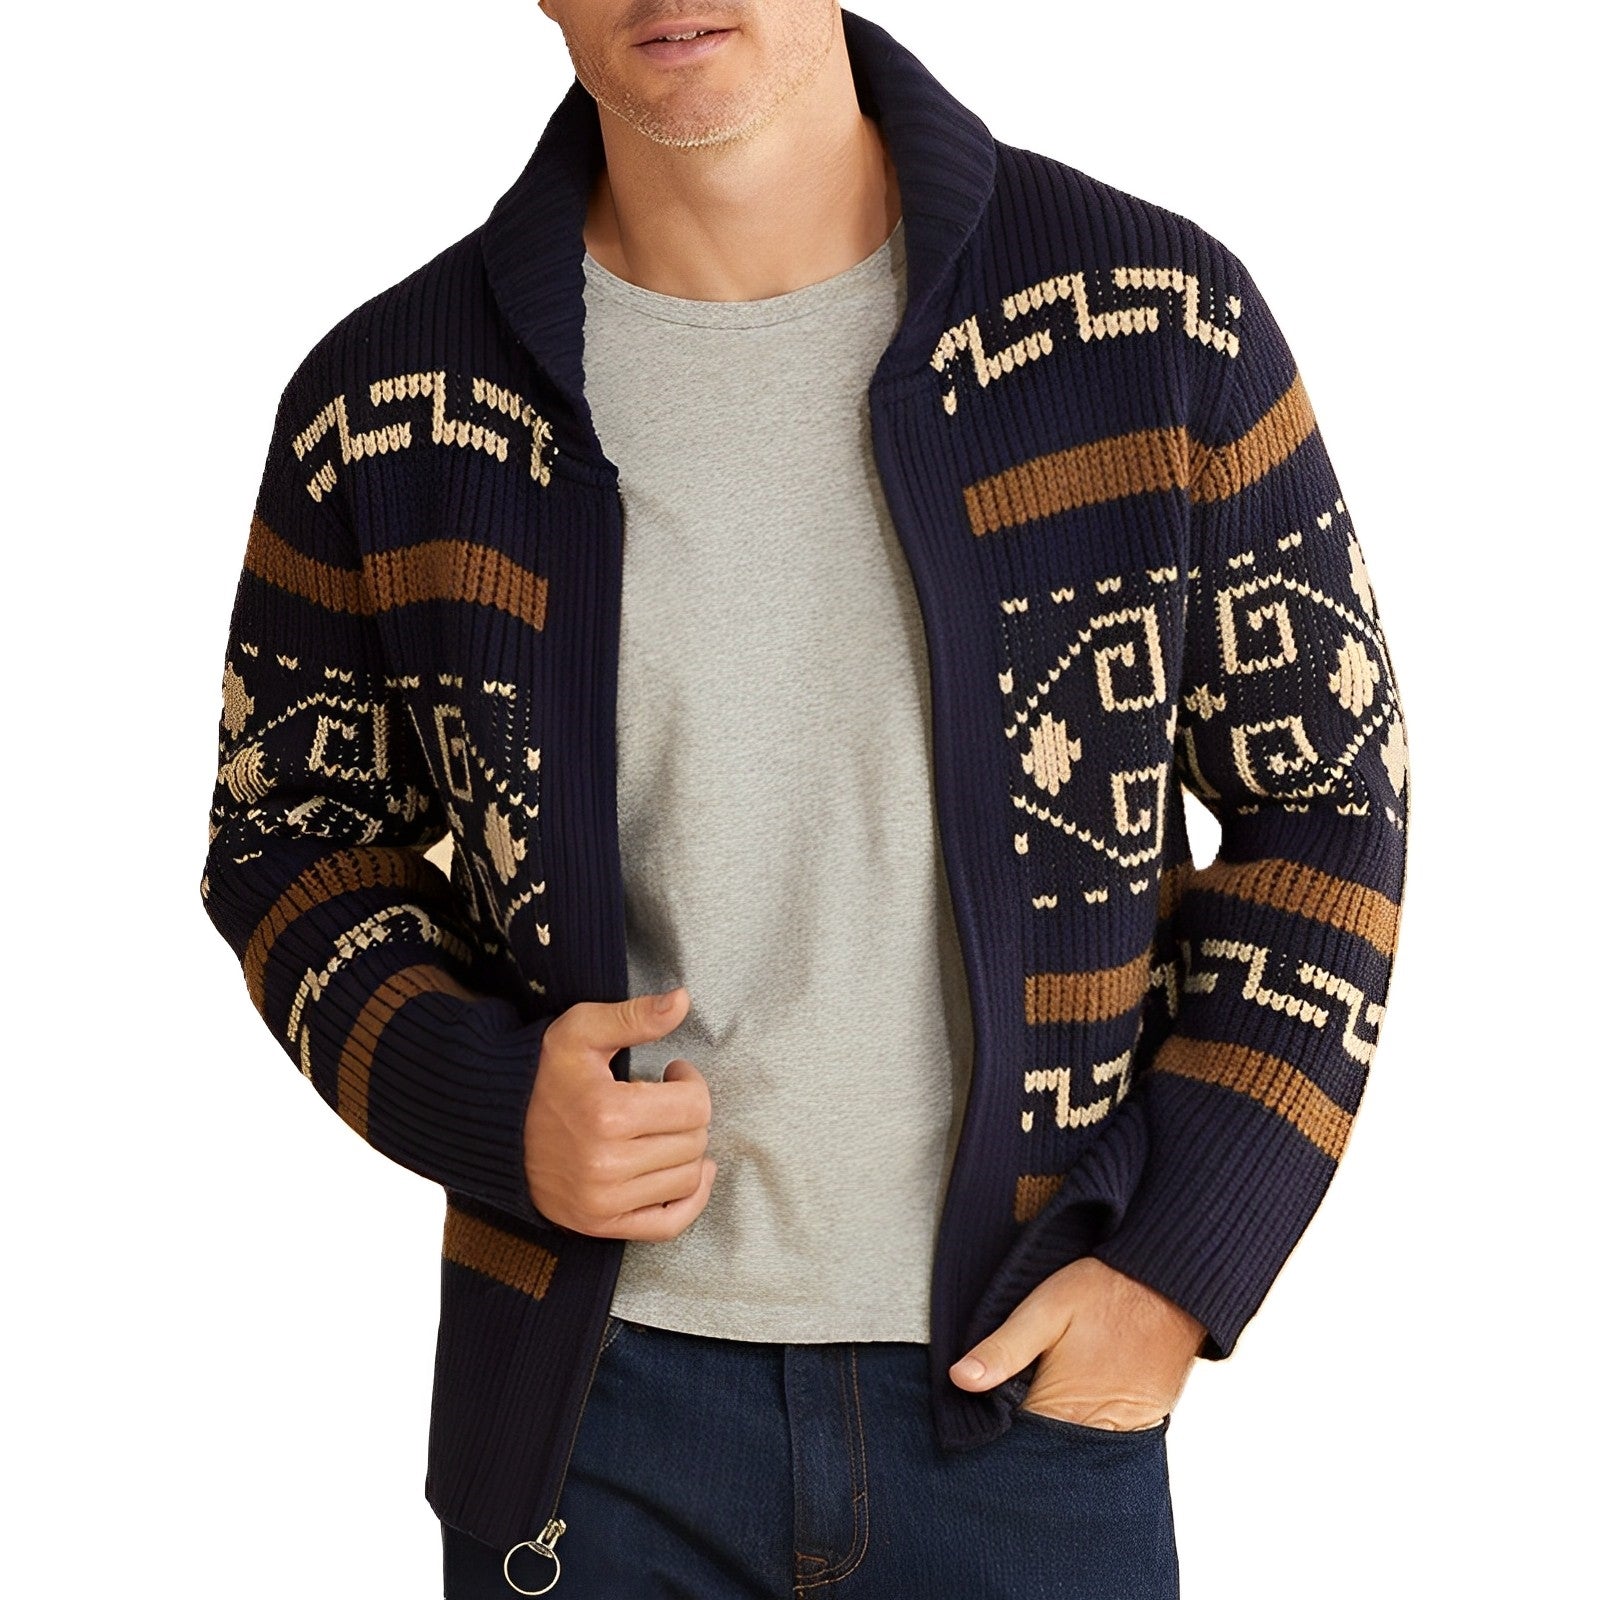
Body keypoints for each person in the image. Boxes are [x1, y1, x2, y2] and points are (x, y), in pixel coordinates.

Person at [200, 3, 1409, 1595]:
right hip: (591, 1423)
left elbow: (1326, 796)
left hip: (1026, 1402)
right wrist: (485, 1101)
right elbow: (288, 838)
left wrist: (1177, 1268)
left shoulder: (1152, 324)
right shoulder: (389, 403)